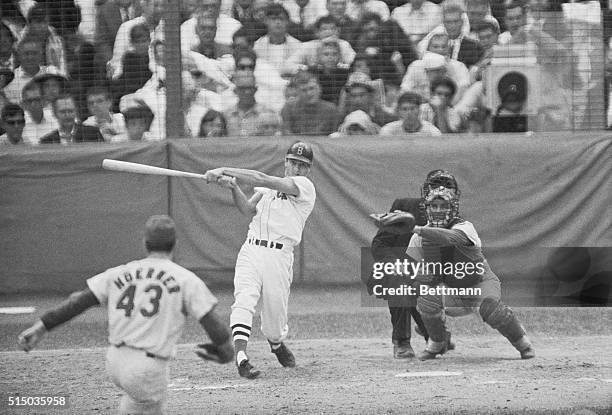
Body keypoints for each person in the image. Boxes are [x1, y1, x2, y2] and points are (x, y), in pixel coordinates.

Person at [17, 215, 234, 414]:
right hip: (147, 370)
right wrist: (225, 351)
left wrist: (40, 327)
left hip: (114, 361)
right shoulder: (186, 279)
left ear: (145, 243)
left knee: (136, 405)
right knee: (145, 403)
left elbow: (78, 303)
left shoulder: (119, 272)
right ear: (175, 244)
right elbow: (211, 322)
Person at [202, 141, 316, 379]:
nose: (296, 169)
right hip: (252, 249)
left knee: (274, 322)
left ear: (307, 170)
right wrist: (233, 187)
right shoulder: (266, 192)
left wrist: (224, 170)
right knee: (244, 300)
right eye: (293, 163)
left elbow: (261, 178)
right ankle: (242, 357)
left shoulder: (304, 187)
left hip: (279, 256)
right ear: (285, 162)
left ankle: (275, 343)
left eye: (301, 166)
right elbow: (246, 211)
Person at [404, 170, 536, 360]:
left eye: (444, 206)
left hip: (477, 284)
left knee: (492, 309)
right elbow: (411, 273)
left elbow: (451, 238)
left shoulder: (464, 227)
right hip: (449, 289)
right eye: (434, 206)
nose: (439, 210)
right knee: (425, 299)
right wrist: (418, 282)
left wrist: (417, 228)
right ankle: (437, 343)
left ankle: (522, 343)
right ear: (427, 208)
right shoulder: (417, 238)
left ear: (453, 207)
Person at [369, 171, 458, 358]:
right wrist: (398, 265)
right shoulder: (404, 207)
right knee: (402, 282)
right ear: (426, 192)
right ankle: (402, 342)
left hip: (433, 276)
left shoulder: (456, 222)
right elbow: (379, 245)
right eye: (435, 187)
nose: (441, 192)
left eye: (447, 187)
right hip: (397, 270)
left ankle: (435, 335)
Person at [281, 70, 341, 135]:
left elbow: (335, 137)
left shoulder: (331, 110)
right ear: (298, 92)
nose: (309, 93)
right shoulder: (289, 109)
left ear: (319, 89)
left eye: (312, 88)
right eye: (304, 90)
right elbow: (287, 137)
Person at [40, 94, 105, 144]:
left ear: (76, 111)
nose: (67, 115)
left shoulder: (93, 133)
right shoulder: (47, 141)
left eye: (70, 111)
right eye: (63, 112)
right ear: (54, 114)